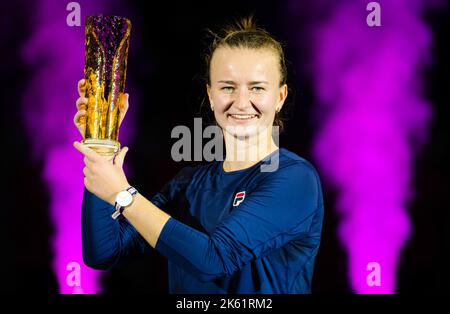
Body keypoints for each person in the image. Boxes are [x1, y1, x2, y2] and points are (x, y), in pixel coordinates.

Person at [73, 16, 324, 294]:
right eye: (228, 87)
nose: (242, 102)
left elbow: (213, 260)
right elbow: (105, 252)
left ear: (280, 97)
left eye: (257, 87)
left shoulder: (296, 180)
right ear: (211, 94)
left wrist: (123, 195)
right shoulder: (190, 182)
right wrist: (102, 144)